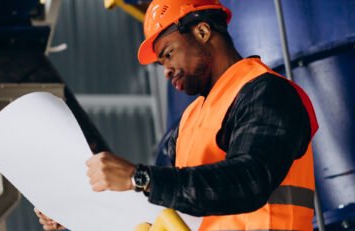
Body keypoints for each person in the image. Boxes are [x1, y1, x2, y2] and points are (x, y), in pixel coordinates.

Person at [37, 0, 319, 230]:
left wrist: (140, 178)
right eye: (161, 63)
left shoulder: (268, 93)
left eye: (169, 54)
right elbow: (157, 203)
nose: (166, 71)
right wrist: (75, 215)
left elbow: (250, 180)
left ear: (203, 32)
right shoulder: (188, 123)